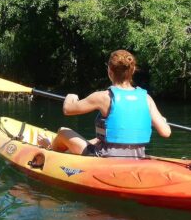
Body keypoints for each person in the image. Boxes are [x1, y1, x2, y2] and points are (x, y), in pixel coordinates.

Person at [37, 49, 171, 158]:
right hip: (136, 156)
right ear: (133, 70)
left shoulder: (103, 97)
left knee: (63, 132)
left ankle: (49, 153)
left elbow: (67, 109)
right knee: (98, 139)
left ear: (109, 71)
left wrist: (70, 96)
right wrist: (156, 121)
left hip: (104, 157)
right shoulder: (146, 98)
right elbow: (166, 132)